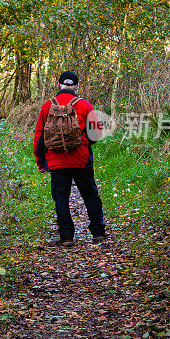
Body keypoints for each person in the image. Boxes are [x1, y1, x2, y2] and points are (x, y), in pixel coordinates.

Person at [33, 71, 107, 246]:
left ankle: (66, 237)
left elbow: (39, 136)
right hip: (81, 159)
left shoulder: (47, 106)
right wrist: (83, 144)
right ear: (76, 87)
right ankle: (98, 233)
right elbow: (96, 133)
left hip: (56, 161)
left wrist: (40, 160)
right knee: (90, 194)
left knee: (61, 197)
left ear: (58, 86)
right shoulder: (84, 105)